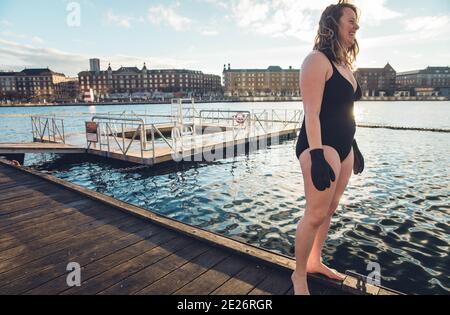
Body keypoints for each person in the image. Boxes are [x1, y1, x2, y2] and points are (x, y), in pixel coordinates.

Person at [292, 0, 365, 295]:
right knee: (315, 213)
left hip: (344, 146)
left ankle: (315, 261)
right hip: (319, 146)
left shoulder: (344, 65)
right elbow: (312, 113)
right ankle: (298, 276)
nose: (356, 27)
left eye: (356, 22)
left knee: (330, 209)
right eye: (350, 20)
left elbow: (342, 109)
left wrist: (354, 145)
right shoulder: (316, 60)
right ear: (333, 24)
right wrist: (318, 155)